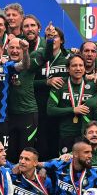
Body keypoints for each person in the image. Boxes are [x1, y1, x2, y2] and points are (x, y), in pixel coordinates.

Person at [47, 54, 97, 155]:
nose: (78, 69)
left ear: (84, 68)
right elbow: (50, 110)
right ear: (68, 69)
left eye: (81, 65)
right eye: (74, 66)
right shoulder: (60, 84)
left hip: (87, 134)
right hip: (67, 133)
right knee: (66, 163)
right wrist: (73, 110)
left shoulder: (93, 85)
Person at [34, 25, 70, 160]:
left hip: (62, 107)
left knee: (59, 143)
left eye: (55, 36)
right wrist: (46, 82)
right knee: (43, 144)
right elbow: (27, 84)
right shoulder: (38, 57)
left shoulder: (69, 59)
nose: (53, 39)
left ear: (61, 40)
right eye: (50, 37)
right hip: (41, 107)